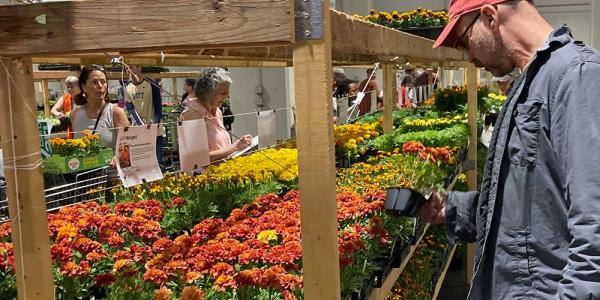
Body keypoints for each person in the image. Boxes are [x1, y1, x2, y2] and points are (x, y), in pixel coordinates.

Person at [419, 0, 600, 299]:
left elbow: (594, 229)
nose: (471, 59)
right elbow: (531, 207)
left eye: (466, 42)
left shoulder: (577, 77)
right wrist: (451, 210)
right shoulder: (530, 82)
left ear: (490, 17)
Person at [179, 67, 252, 162]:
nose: (226, 97)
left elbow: (222, 148)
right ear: (208, 92)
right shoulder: (192, 114)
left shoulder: (218, 111)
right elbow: (195, 158)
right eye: (223, 93)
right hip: (203, 176)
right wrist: (234, 147)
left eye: (227, 93)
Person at [71, 65, 129, 149]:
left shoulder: (116, 113)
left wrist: (116, 157)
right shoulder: (75, 114)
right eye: (95, 82)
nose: (100, 86)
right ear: (83, 87)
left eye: (103, 82)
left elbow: (127, 148)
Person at [122, 66, 164, 165]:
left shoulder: (151, 84)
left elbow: (158, 106)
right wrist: (141, 125)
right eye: (129, 67)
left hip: (155, 130)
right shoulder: (125, 88)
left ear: (139, 68)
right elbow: (130, 108)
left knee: (157, 162)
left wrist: (154, 125)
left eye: (134, 67)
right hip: (139, 130)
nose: (132, 70)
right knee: (142, 162)